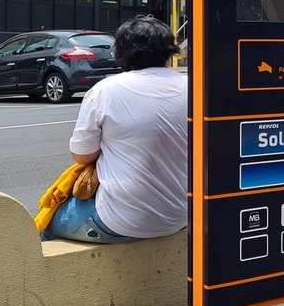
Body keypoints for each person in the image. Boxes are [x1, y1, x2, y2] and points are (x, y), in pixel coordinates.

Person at [41, 15, 187, 243]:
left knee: (47, 223)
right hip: (180, 217)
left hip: (118, 221)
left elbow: (81, 155)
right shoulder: (194, 88)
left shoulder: (105, 91)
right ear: (169, 52)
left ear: (120, 54)